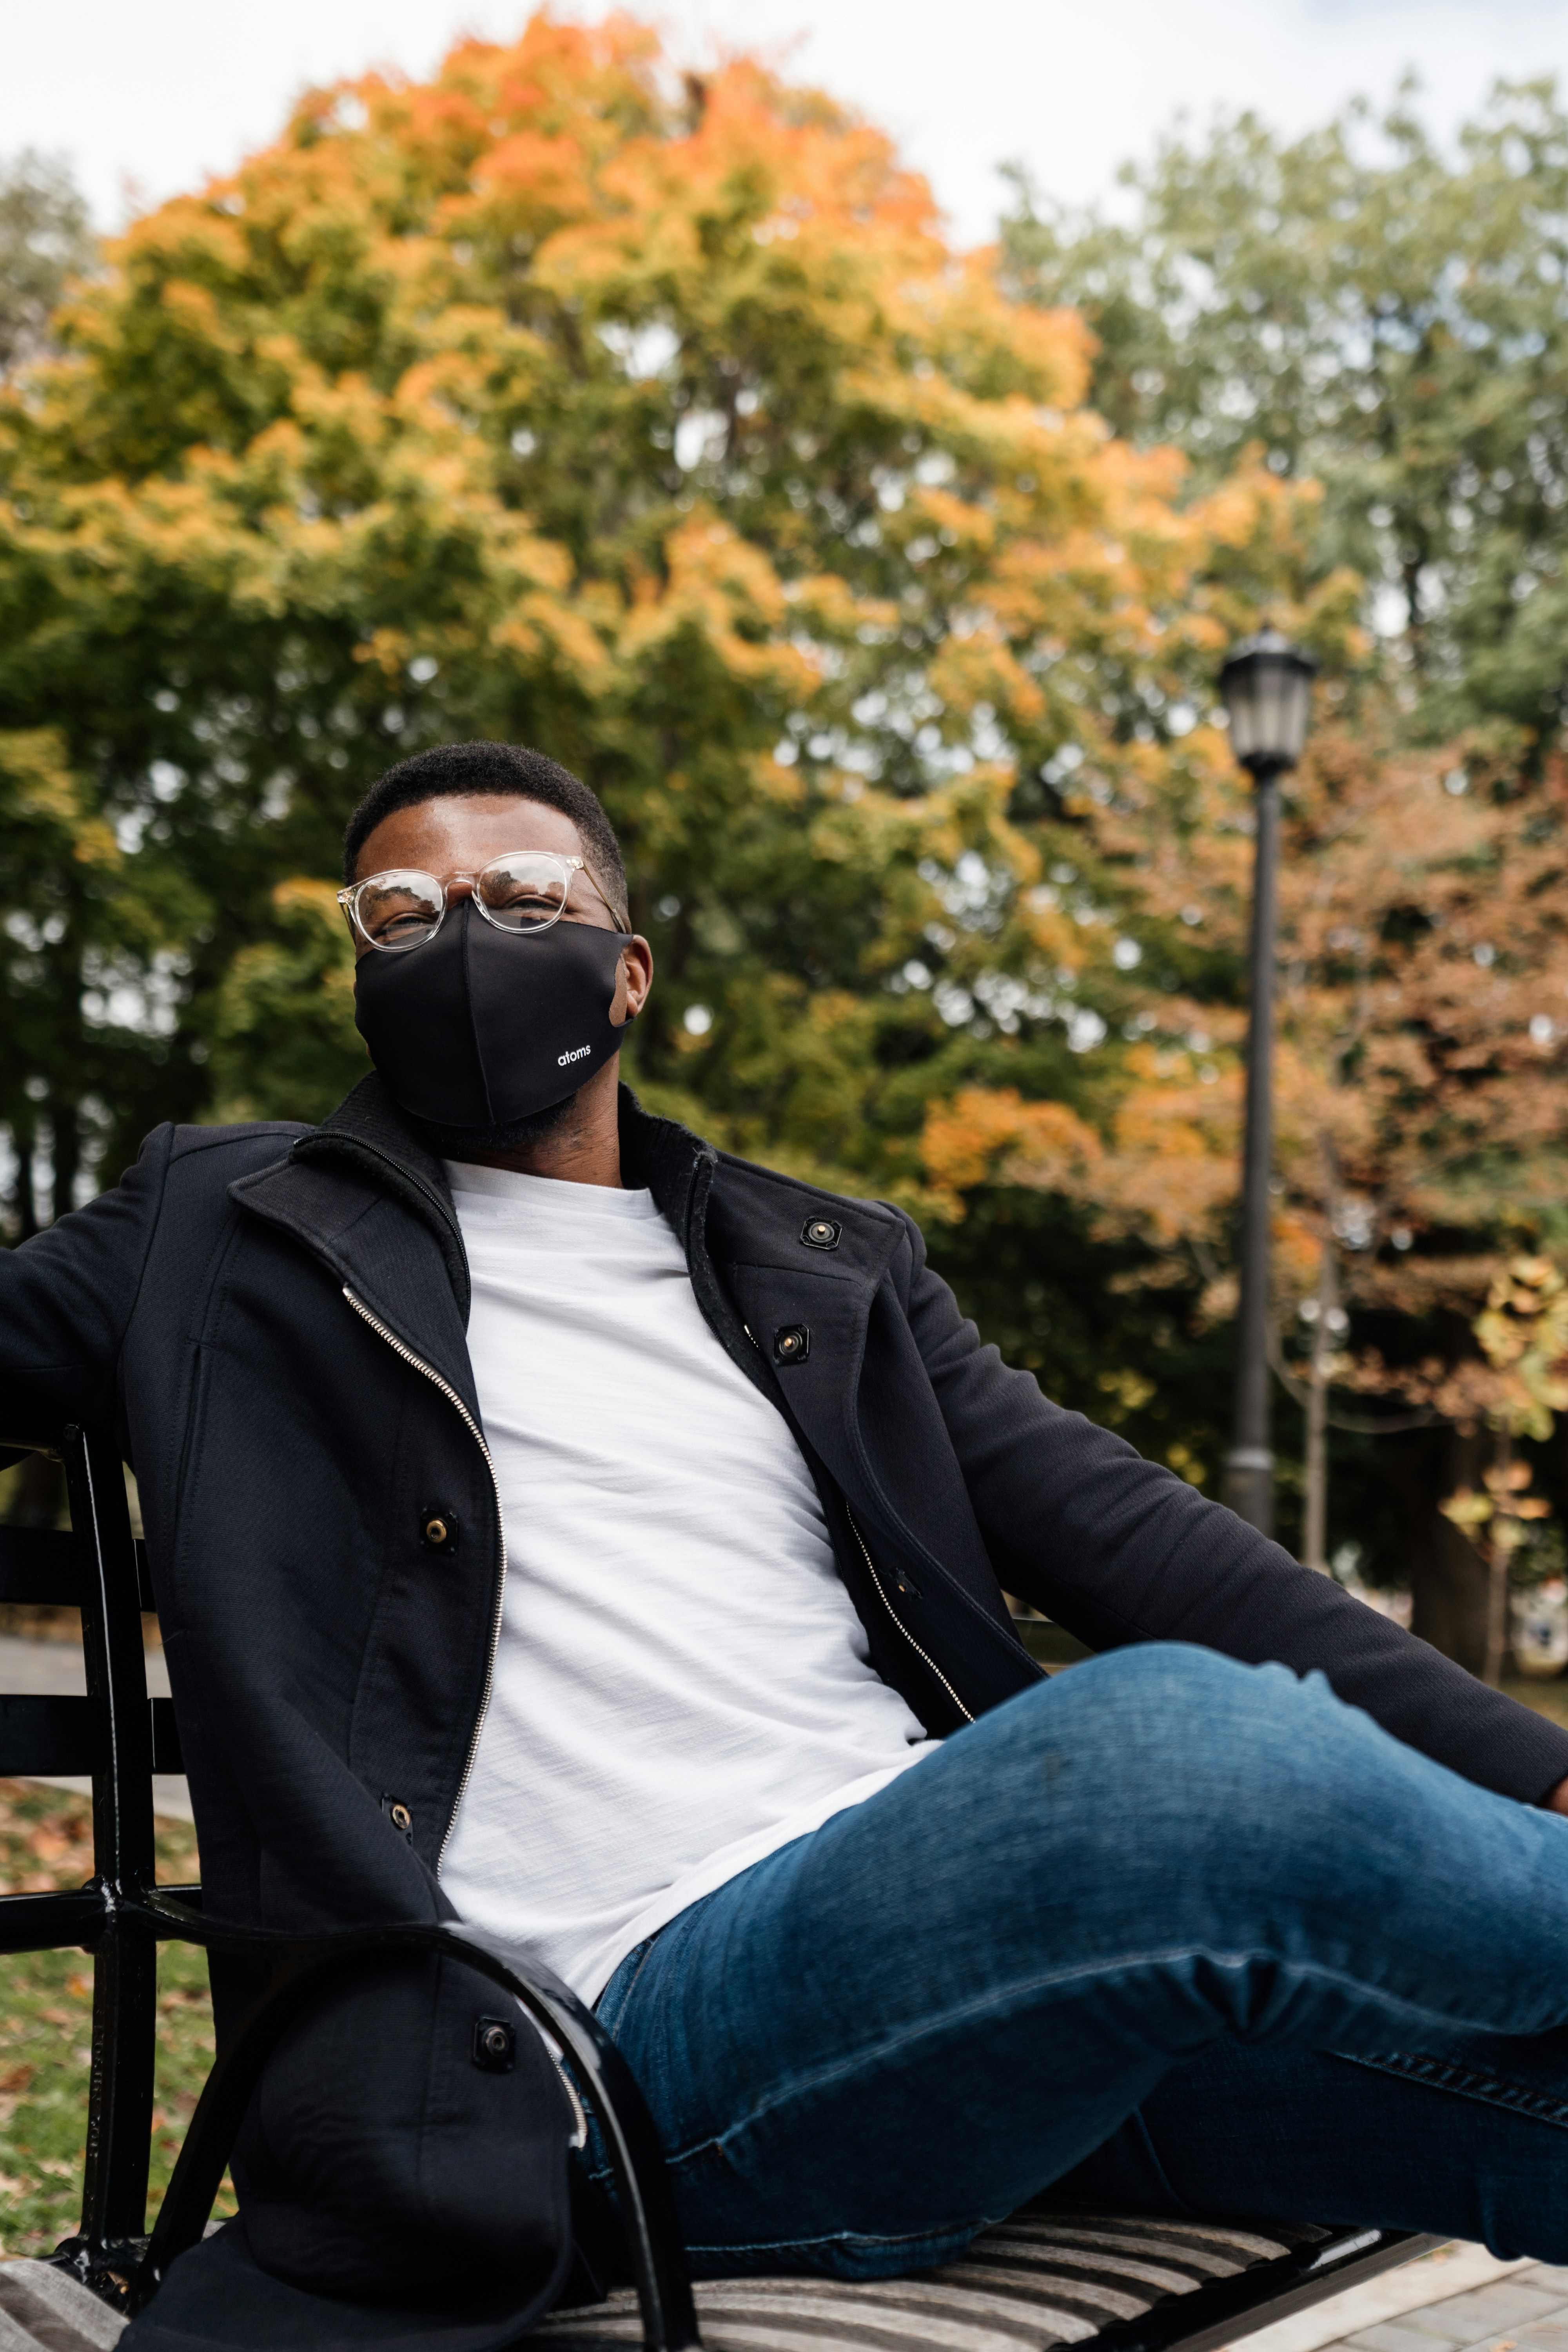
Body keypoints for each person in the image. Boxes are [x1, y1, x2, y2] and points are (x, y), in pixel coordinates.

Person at [11, 740, 1568, 2352]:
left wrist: (1541, 1772)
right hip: (594, 2061)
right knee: (1158, 1754)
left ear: (626, 973)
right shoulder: (219, 1225)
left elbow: (1139, 1538)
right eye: (400, 914)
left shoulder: (816, 1265)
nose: (460, 938)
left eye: (522, 898)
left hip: (956, 1971)